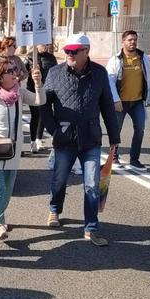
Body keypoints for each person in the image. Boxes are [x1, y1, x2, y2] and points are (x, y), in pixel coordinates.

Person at [40, 34, 120, 247]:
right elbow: (44, 106)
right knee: (59, 180)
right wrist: (54, 131)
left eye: (75, 51)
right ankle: (55, 209)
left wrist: (114, 137)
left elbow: (107, 107)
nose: (70, 55)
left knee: (92, 185)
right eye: (67, 51)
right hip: (64, 137)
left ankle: (91, 227)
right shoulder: (55, 73)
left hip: (91, 138)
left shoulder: (100, 73)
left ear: (86, 51)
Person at [0, 56, 46, 240]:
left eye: (15, 70)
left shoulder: (20, 93)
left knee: (8, 189)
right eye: (10, 71)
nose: (15, 74)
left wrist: (38, 83)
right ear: (0, 76)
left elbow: (39, 101)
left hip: (13, 150)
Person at [106, 30, 150, 171]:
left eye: (134, 39)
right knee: (116, 130)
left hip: (137, 102)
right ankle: (114, 157)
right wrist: (115, 100)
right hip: (120, 102)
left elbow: (149, 78)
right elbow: (110, 81)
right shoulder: (116, 59)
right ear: (123, 42)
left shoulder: (143, 57)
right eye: (129, 40)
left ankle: (134, 159)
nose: (132, 42)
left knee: (140, 129)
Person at [24, 44, 57, 153]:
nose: (46, 46)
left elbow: (56, 72)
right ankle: (33, 140)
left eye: (47, 44)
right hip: (32, 90)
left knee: (44, 114)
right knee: (35, 115)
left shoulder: (51, 58)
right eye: (43, 44)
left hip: (47, 89)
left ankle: (39, 139)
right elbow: (23, 72)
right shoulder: (30, 57)